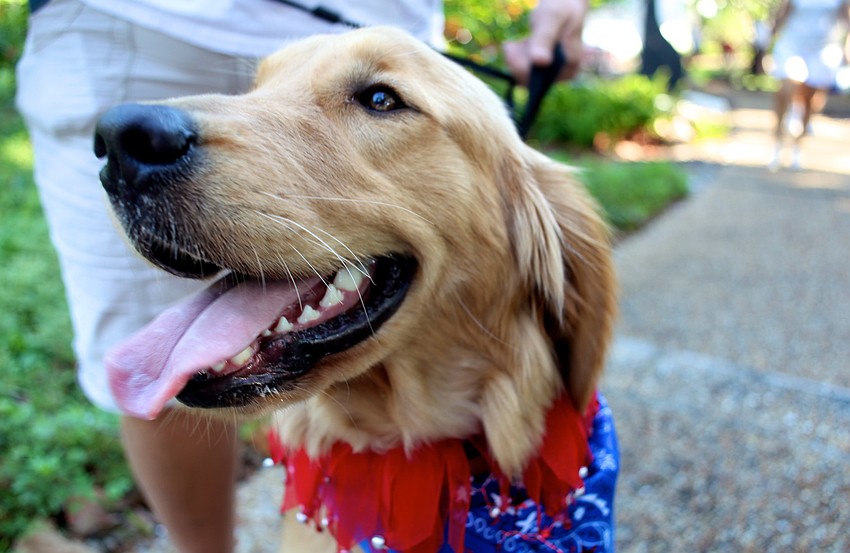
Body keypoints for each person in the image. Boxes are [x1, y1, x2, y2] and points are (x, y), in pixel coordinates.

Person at [15, 1, 589, 552]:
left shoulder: (572, 494)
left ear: (528, 231)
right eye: (259, 94)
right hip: (136, 22)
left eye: (379, 99)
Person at [769, 0, 850, 170]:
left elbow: (846, 18)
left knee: (810, 101)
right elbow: (784, 12)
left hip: (823, 48)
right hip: (793, 45)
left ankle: (798, 145)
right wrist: (767, 44)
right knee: (786, 88)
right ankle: (777, 140)